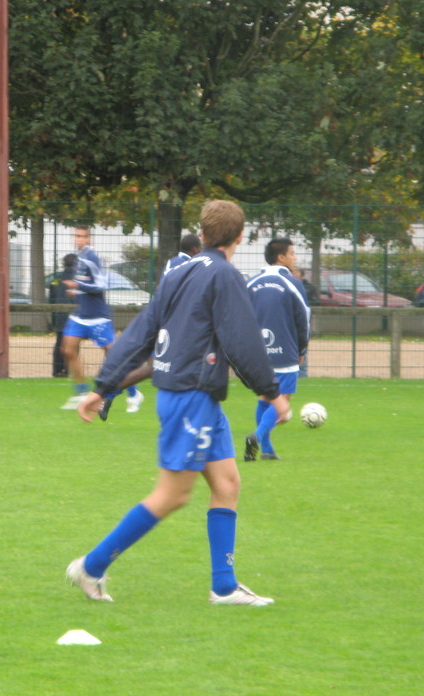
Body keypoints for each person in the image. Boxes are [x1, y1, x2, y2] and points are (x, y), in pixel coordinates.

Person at [66, 200, 289, 607]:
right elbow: (242, 341)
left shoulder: (179, 271)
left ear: (202, 234)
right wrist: (272, 394)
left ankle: (224, 587)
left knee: (227, 484)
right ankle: (91, 566)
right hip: (190, 397)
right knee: (172, 495)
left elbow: (140, 332)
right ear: (241, 237)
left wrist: (105, 385)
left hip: (193, 395)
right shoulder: (224, 275)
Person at [96, 234, 202, 420]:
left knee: (154, 367)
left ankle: (110, 394)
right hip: (172, 323)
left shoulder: (173, 262)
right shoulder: (190, 266)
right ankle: (110, 393)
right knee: (176, 366)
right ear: (195, 250)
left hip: (161, 319)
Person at [59, 226, 142, 412]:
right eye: (76, 236)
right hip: (82, 315)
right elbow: (87, 285)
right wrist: (77, 291)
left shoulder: (92, 257)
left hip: (98, 317)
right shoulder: (79, 258)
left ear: (89, 239)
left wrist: (78, 285)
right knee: (68, 350)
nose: (79, 239)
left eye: (82, 236)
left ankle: (134, 392)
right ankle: (80, 392)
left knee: (115, 356)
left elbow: (101, 285)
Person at [243, 238, 311, 461]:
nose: (295, 258)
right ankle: (257, 435)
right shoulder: (293, 284)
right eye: (292, 253)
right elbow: (303, 319)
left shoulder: (251, 283)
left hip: (257, 353)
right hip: (285, 351)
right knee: (283, 398)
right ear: (280, 257)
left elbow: (239, 317)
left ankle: (267, 450)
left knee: (266, 396)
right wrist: (302, 348)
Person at [49, 253, 77, 377]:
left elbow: (51, 299)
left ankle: (57, 370)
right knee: (73, 343)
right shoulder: (78, 280)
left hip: (60, 315)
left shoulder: (56, 279)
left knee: (60, 343)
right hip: (75, 315)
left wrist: (54, 317)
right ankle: (69, 369)